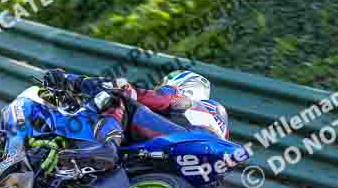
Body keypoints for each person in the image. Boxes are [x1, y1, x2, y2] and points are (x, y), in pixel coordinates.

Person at [41, 68, 229, 171]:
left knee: (118, 98)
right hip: (198, 172)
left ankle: (107, 148)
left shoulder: (181, 96)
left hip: (180, 141)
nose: (160, 88)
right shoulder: (219, 124)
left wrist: (72, 80)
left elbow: (148, 97)